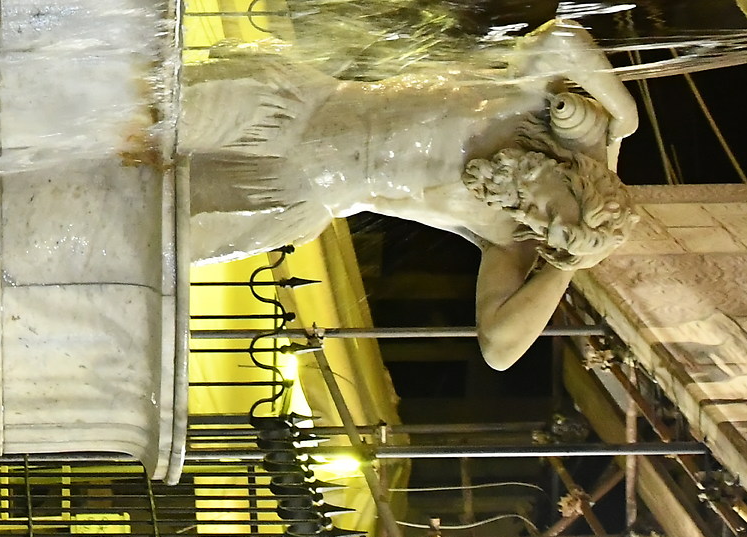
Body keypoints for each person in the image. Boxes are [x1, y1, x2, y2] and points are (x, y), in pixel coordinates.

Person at [178, 19, 641, 369]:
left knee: (157, 222)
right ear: (573, 172)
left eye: (543, 230)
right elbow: (562, 38)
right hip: (294, 108)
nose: (530, 216)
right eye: (549, 211)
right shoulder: (527, 101)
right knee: (142, 112)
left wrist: (567, 267)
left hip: (294, 195)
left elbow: (499, 348)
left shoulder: (508, 235)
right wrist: (625, 113)